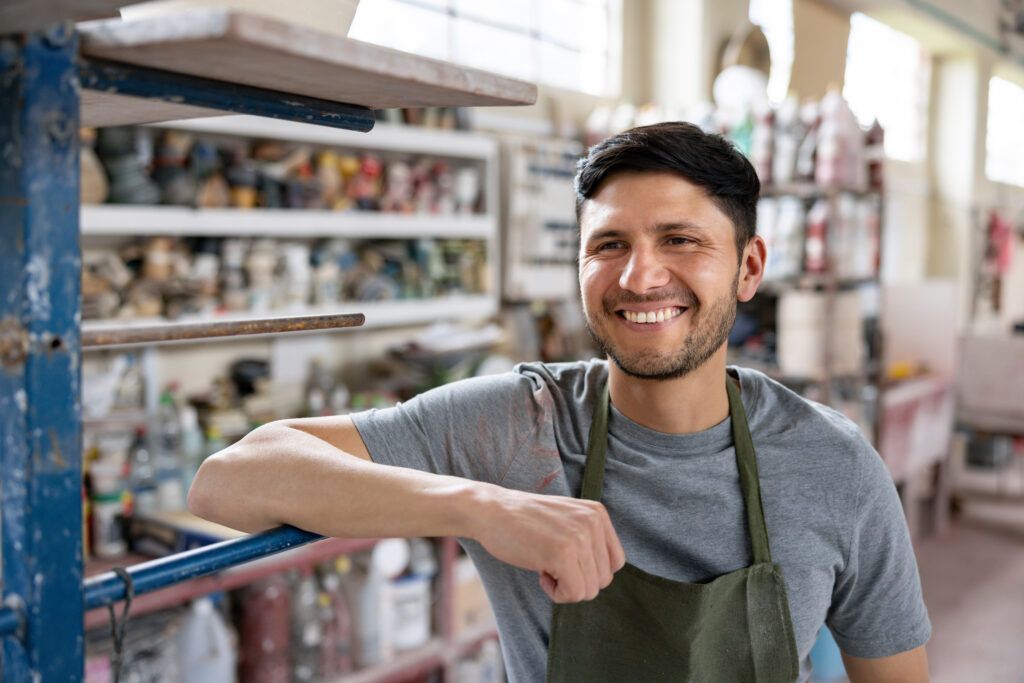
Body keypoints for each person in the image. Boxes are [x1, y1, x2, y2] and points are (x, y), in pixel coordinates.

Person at [189, 122, 931, 682]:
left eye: (680, 240)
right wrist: (482, 508)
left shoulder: (834, 467)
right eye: (608, 245)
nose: (641, 279)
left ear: (749, 267)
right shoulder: (519, 426)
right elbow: (229, 478)